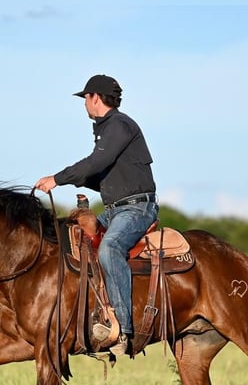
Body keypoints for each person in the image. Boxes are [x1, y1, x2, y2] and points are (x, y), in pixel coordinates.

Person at [35, 74, 158, 357]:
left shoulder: (119, 125)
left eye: (86, 98)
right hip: (115, 210)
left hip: (136, 209)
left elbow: (96, 162)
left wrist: (58, 178)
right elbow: (101, 174)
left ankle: (123, 329)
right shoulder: (107, 129)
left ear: (95, 98)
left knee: (109, 249)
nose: (84, 104)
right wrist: (78, 180)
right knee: (71, 238)